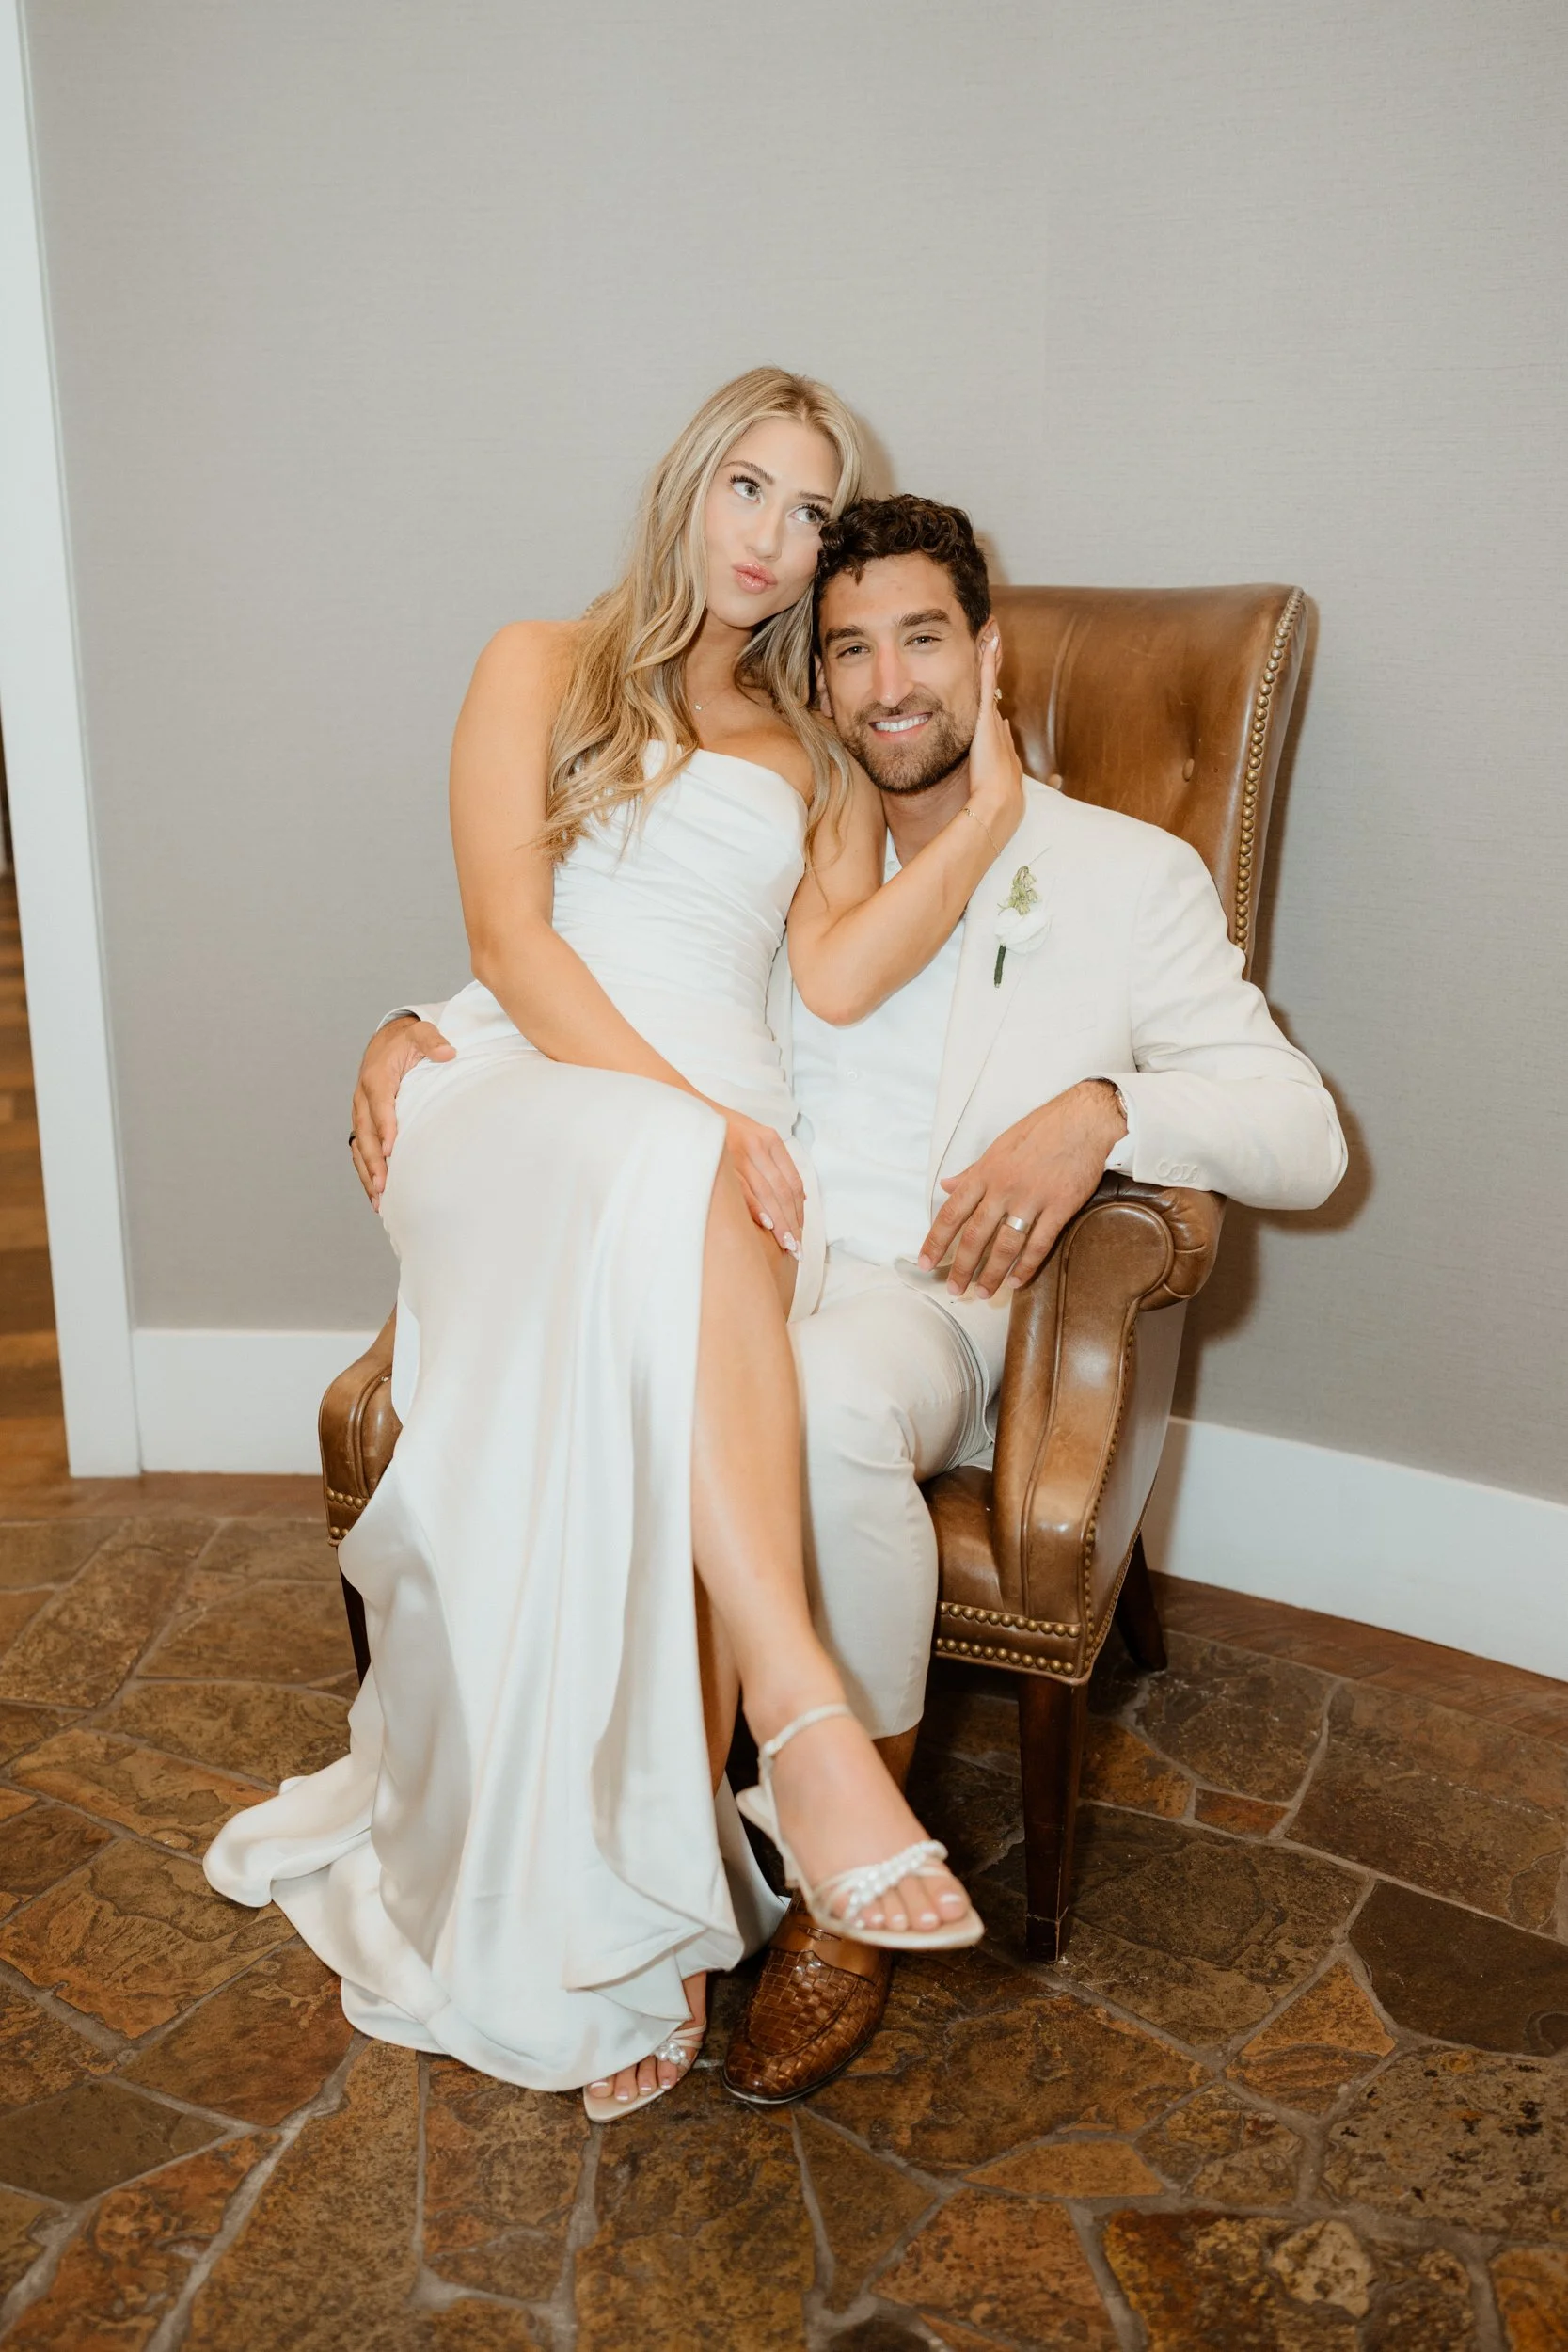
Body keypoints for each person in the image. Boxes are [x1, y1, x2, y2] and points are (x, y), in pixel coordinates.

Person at [355, 494, 1348, 2106]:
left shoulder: (1120, 871)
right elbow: (609, 952)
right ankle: (637, 1891)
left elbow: (1300, 1134)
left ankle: (839, 1877)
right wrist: (425, 1022)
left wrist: (1100, 1109)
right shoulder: (782, 844)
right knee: (646, 1376)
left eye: (923, 640)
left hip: (919, 1294)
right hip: (734, 1244)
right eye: (849, 648)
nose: (890, 683)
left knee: (804, 1400)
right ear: (815, 679)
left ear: (986, 649)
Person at [205, 377, 1037, 2122]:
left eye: (810, 514)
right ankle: (814, 1731)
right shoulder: (535, 664)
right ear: (686, 483)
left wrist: (974, 829)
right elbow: (510, 942)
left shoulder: (807, 752)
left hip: (713, 1147)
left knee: (692, 1349)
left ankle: (654, 1936)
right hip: (530, 1099)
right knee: (691, 1180)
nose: (770, 537)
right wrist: (694, 1120)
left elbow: (827, 978)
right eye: (749, 485)